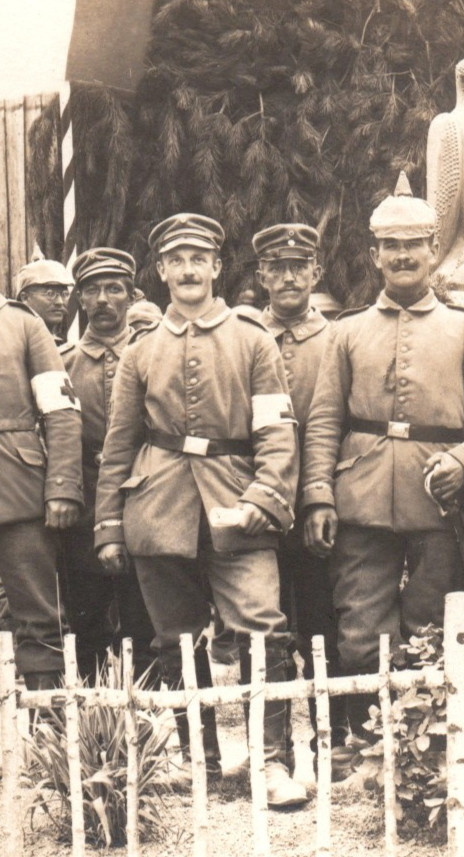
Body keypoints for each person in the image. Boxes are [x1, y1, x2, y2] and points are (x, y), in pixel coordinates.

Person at [94, 213, 308, 808]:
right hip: (159, 507)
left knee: (262, 630)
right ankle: (200, 762)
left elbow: (276, 433)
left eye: (199, 259)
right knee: (176, 641)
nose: (188, 270)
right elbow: (119, 445)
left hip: (238, 504)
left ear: (217, 267)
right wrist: (110, 524)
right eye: (176, 260)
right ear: (160, 272)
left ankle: (269, 763)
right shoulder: (142, 352)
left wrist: (264, 498)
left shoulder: (253, 340)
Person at [302, 174, 464, 735]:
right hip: (361, 502)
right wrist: (319, 495)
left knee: (431, 626)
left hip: (437, 504)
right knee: (360, 628)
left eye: (413, 245)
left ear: (431, 252)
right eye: (391, 247)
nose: (403, 256)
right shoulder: (345, 334)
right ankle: (369, 742)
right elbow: (324, 420)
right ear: (375, 256)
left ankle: (430, 743)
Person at [253, 221, 348, 768]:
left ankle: (332, 742)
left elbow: (334, 425)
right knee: (264, 626)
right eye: (277, 268)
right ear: (262, 275)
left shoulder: (336, 338)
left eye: (299, 267)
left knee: (322, 623)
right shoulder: (243, 334)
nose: (289, 278)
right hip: (262, 505)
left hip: (319, 504)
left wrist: (321, 497)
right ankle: (274, 753)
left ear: (315, 273)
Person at [58, 248, 157, 684]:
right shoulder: (61, 364)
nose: (103, 299)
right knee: (90, 624)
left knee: (147, 620)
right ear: (79, 299)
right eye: (92, 290)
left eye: (114, 289)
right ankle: (100, 732)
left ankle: (153, 727)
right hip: (86, 511)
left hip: (147, 499)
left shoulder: (155, 355)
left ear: (132, 296)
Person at [0, 282, 82, 694]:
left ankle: (49, 737)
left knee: (37, 613)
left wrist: (63, 487)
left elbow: (62, 412)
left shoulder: (22, 323)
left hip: (16, 488)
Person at [16, 251, 73, 344]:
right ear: (24, 297)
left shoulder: (57, 344)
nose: (60, 302)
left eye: (64, 294)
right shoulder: (11, 342)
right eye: (50, 294)